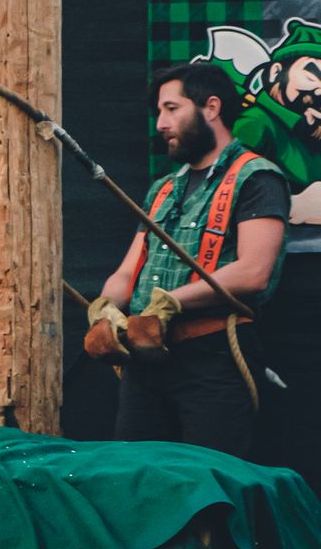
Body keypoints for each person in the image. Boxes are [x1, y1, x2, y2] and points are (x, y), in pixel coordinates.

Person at [87, 63, 289, 458]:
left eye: (171, 109)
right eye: (159, 112)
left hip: (214, 358)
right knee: (135, 476)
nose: (161, 123)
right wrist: (105, 308)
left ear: (211, 107)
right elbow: (129, 271)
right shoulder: (163, 187)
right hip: (145, 358)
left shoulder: (258, 177)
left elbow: (254, 273)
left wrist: (172, 302)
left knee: (210, 479)